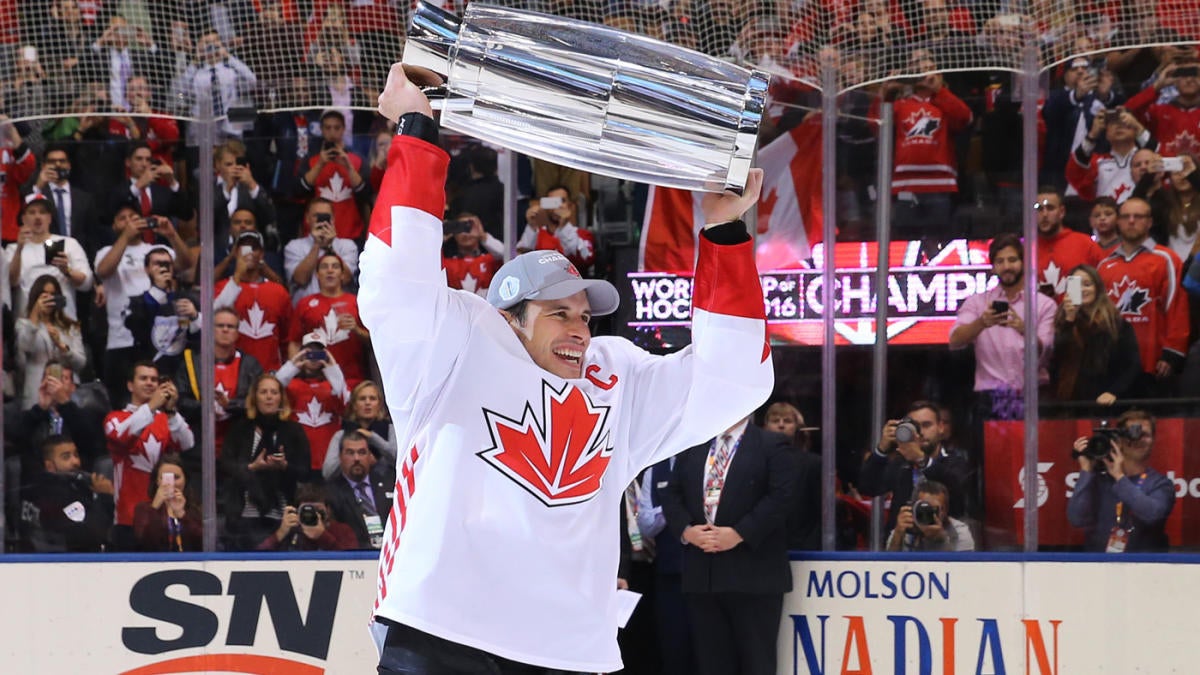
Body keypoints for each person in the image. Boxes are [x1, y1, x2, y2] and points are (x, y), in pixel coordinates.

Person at [362, 64, 772, 674]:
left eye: (585, 316)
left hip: (566, 651)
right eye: (559, 313)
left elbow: (734, 378)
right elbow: (397, 276)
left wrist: (725, 229)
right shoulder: (452, 349)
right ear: (510, 318)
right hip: (440, 631)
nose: (580, 329)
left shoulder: (615, 380)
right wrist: (417, 133)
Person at [660, 417, 794, 675]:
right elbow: (671, 493)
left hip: (753, 575)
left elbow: (781, 497)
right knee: (712, 662)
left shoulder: (772, 444)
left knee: (756, 662)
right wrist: (687, 530)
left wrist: (740, 533)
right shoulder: (694, 444)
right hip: (703, 573)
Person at [949, 233, 1057, 419]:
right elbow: (954, 341)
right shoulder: (977, 303)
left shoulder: (1044, 304)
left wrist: (1024, 330)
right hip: (989, 396)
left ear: (1024, 263)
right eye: (1000, 261)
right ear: (993, 267)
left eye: (1012, 260)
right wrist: (981, 323)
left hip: (1031, 392)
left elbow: (1046, 350)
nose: (1006, 267)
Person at [1097, 197, 1189, 394]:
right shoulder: (1104, 265)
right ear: (1118, 222)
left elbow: (1177, 308)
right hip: (1112, 364)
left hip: (1152, 363)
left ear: (1149, 222)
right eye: (1126, 216)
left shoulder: (1166, 259)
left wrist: (1171, 353)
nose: (1131, 221)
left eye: (1138, 216)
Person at [104, 361, 195, 550]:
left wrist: (170, 411)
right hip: (127, 519)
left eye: (154, 379)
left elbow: (187, 443)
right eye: (143, 378)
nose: (150, 383)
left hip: (163, 518)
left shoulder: (165, 419)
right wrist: (152, 407)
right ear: (130, 385)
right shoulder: (115, 418)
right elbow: (120, 436)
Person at [221, 372, 311, 551]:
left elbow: (305, 471)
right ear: (255, 397)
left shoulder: (293, 431)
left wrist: (285, 466)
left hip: (284, 511)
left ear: (281, 398)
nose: (269, 396)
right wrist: (251, 467)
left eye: (274, 392)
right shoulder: (241, 429)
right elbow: (225, 465)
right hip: (244, 515)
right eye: (263, 392)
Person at [1066, 409, 1175, 552]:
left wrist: (1119, 477)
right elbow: (1077, 518)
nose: (1138, 439)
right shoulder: (1099, 480)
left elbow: (1153, 514)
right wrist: (1086, 470)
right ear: (1120, 440)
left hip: (1145, 567)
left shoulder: (1160, 484)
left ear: (1154, 440)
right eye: (1131, 433)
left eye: (1145, 435)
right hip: (1097, 566)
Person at [857, 401, 970, 536]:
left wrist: (921, 459)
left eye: (926, 425)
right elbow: (868, 487)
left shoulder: (956, 461)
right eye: (915, 426)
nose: (920, 432)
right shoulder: (901, 463)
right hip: (901, 545)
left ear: (941, 427)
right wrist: (882, 450)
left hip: (944, 543)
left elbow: (956, 489)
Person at [174, 307, 264, 458]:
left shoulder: (250, 365)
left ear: (237, 332)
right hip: (198, 449)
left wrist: (230, 405)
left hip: (238, 449)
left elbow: (259, 403)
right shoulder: (191, 363)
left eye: (230, 326)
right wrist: (205, 407)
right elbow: (179, 401)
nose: (225, 330)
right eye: (220, 325)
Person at [1050, 265, 1142, 404]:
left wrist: (1114, 392)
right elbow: (1058, 358)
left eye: (1087, 284)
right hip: (1071, 401)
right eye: (1076, 285)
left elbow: (1132, 364)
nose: (1082, 289)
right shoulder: (1063, 320)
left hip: (1107, 399)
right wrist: (1069, 320)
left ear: (1097, 288)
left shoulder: (1116, 323)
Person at [18, 435, 113, 552]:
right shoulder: (55, 494)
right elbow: (89, 537)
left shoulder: (36, 487)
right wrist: (105, 496)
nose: (75, 462)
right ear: (50, 466)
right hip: (65, 561)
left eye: (76, 455)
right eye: (66, 457)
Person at [214, 231, 292, 371]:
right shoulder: (222, 287)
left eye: (253, 248)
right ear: (235, 253)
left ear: (261, 254)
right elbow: (216, 312)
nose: (248, 253)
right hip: (234, 371)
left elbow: (287, 337)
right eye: (243, 248)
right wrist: (237, 274)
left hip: (270, 371)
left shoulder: (279, 291)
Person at [287, 251, 369, 386]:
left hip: (352, 379)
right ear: (317, 275)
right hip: (316, 380)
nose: (330, 270)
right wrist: (297, 372)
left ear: (343, 275)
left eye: (335, 267)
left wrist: (356, 329)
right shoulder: (305, 303)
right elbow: (294, 342)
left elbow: (373, 341)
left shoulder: (357, 303)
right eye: (325, 267)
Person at [5, 197, 93, 321]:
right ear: (23, 219)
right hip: (28, 323)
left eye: (42, 212)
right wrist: (19, 248)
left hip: (64, 321)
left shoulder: (69, 244)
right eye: (32, 212)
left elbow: (86, 284)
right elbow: (12, 282)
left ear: (50, 218)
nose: (38, 217)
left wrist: (67, 271)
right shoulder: (13, 249)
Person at [123, 247, 201, 378]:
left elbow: (198, 338)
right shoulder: (136, 302)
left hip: (182, 371)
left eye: (167, 264)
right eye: (157, 264)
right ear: (147, 269)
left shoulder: (187, 300)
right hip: (151, 370)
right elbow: (139, 330)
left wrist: (194, 317)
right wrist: (160, 293)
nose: (163, 268)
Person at [277, 334, 348, 474]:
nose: (314, 357)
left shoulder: (332, 387)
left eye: (319, 353)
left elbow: (345, 399)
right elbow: (274, 387)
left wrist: (332, 366)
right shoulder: (292, 385)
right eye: (309, 352)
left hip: (327, 459)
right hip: (298, 458)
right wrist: (293, 364)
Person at [15, 275, 87, 410]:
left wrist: (62, 347)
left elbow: (81, 363)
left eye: (52, 295)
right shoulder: (23, 325)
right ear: (36, 298)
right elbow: (24, 349)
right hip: (37, 392)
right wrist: (34, 317)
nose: (48, 299)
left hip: (66, 393)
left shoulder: (70, 326)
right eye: (44, 295)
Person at [301, 110, 368, 241]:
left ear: (343, 129)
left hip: (351, 233)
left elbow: (365, 193)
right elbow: (300, 191)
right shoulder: (311, 160)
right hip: (317, 233)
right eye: (327, 127)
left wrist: (348, 167)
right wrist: (320, 164)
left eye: (336, 128)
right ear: (321, 129)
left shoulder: (357, 160)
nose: (332, 132)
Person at [324, 430, 395, 549]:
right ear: (340, 457)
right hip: (355, 556)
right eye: (350, 453)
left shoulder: (389, 483)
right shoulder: (330, 493)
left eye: (362, 452)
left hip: (392, 552)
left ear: (370, 456)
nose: (356, 458)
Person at [283, 197, 360, 303]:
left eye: (326, 216)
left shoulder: (347, 246)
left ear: (333, 219)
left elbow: (345, 278)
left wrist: (329, 247)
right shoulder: (294, 247)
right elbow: (300, 279)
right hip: (307, 312)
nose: (322, 220)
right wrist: (317, 245)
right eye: (316, 216)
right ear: (307, 218)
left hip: (341, 309)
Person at [1033, 188, 1103, 297]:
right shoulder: (1027, 249)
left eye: (1050, 208)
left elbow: (1103, 285)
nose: (1044, 214)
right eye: (1039, 208)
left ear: (1062, 212)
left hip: (1077, 312)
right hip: (1036, 313)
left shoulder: (1085, 244)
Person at [320, 380, 397, 479]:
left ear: (379, 404)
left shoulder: (391, 430)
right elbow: (328, 472)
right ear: (354, 405)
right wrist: (350, 455)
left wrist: (373, 438)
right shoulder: (341, 435)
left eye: (372, 399)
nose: (367, 403)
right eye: (362, 399)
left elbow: (398, 459)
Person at [516, 185, 596, 274]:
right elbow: (519, 260)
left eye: (562, 201)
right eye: (553, 202)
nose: (558, 206)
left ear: (570, 206)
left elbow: (586, 259)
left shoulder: (583, 234)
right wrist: (532, 226)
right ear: (545, 206)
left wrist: (564, 227)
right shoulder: (536, 234)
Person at [132, 454, 202, 552]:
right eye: (165, 478)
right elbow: (141, 539)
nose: (171, 483)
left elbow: (204, 543)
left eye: (176, 477)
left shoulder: (195, 510)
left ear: (185, 480)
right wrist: (155, 507)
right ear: (157, 481)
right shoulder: (143, 509)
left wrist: (182, 515)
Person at [257, 484, 357, 551]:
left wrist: (322, 536)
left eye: (317, 510)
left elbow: (355, 561)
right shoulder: (291, 530)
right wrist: (280, 533)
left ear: (328, 510)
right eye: (306, 509)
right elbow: (257, 557)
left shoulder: (342, 530)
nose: (312, 514)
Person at [885, 479, 975, 551]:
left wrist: (941, 540)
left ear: (946, 510)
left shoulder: (959, 531)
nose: (929, 514)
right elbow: (888, 564)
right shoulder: (907, 524)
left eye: (935, 509)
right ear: (914, 507)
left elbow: (962, 569)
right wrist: (898, 534)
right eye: (924, 509)